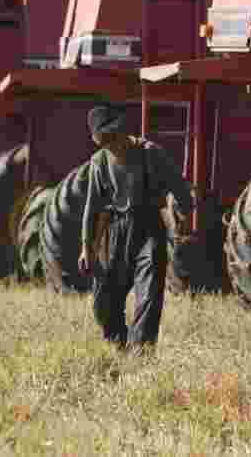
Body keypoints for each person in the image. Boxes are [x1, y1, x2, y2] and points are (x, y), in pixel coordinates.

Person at [76, 101, 193, 351]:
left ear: (121, 131)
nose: (111, 145)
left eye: (112, 138)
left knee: (149, 295)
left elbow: (181, 189)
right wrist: (87, 247)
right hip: (114, 233)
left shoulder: (150, 153)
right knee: (103, 301)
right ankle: (117, 342)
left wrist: (184, 219)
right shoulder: (99, 163)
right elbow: (91, 209)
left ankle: (140, 351)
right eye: (103, 142)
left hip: (149, 229)